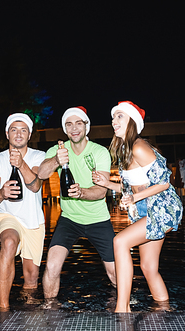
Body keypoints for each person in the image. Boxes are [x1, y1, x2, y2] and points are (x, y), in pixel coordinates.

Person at [93, 101, 182, 313]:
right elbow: (130, 187)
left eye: (120, 117)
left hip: (162, 208)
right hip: (146, 210)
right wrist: (107, 184)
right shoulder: (125, 150)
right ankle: (164, 310)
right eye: (113, 117)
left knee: (120, 242)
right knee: (148, 268)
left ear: (132, 121)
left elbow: (164, 183)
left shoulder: (139, 147)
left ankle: (122, 309)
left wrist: (134, 198)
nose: (114, 121)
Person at [38, 106, 116, 307]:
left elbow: (101, 191)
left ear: (86, 126)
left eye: (78, 123)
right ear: (64, 129)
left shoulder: (100, 152)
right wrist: (56, 159)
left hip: (98, 219)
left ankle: (125, 306)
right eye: (69, 124)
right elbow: (41, 174)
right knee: (52, 266)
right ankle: (50, 311)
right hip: (69, 219)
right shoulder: (57, 150)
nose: (74, 128)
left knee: (115, 272)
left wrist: (81, 192)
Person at [0, 113, 46, 311]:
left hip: (34, 219)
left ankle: (28, 313)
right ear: (7, 133)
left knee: (31, 278)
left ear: (29, 135)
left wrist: (21, 164)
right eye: (14, 129)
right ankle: (3, 308)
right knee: (9, 243)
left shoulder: (38, 156)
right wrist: (2, 193)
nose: (18, 134)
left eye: (23, 130)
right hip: (8, 215)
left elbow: (35, 186)